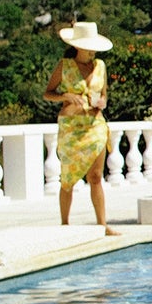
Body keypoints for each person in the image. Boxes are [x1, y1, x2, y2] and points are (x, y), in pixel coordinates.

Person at [42, 21, 119, 236]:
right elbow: (48, 93)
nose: (92, 50)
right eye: (88, 45)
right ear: (77, 46)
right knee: (67, 178)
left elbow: (103, 94)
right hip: (71, 128)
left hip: (95, 125)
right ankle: (65, 223)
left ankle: (102, 224)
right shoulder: (64, 66)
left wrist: (102, 102)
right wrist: (65, 96)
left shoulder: (100, 67)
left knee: (95, 176)